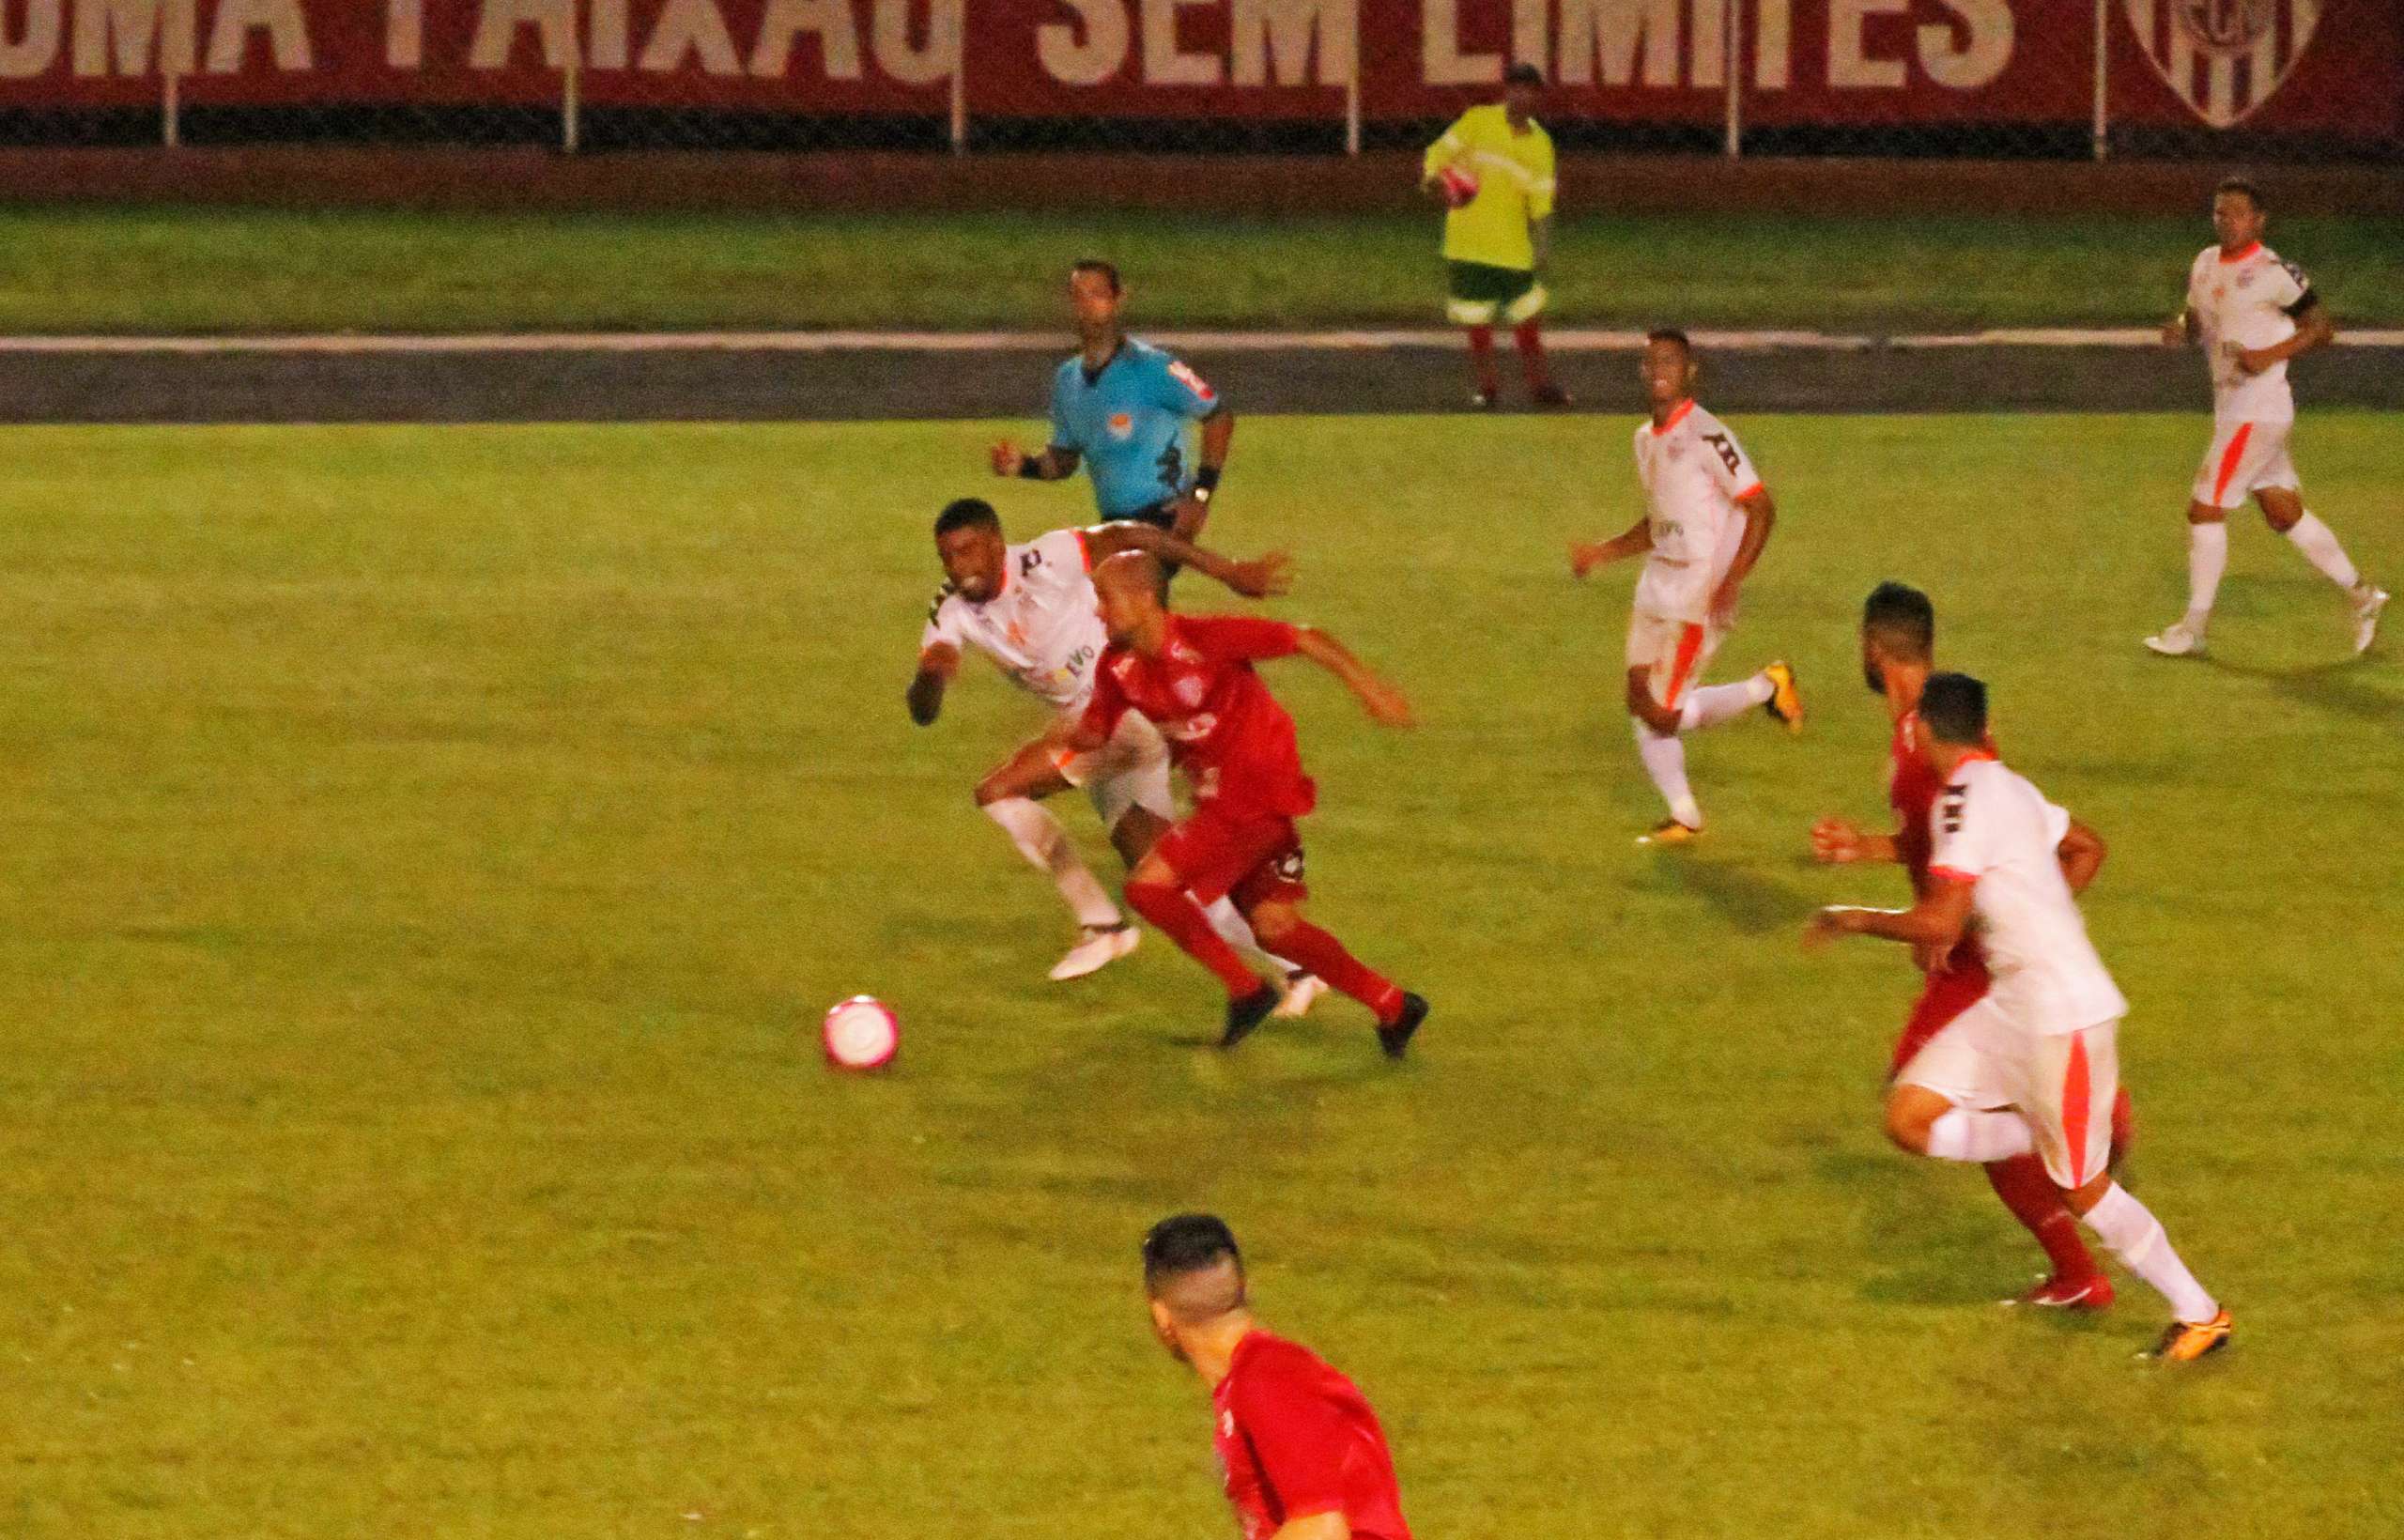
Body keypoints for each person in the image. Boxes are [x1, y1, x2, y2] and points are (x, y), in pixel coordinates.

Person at [1807, 674, 2232, 1363]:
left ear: (1921, 731)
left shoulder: (1964, 801)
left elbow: (1941, 919)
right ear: (1984, 725)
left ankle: (2200, 1312)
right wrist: (2038, 916)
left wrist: (1854, 917)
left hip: (2061, 1015)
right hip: (2014, 1004)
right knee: (1909, 1116)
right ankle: (2033, 1128)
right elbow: (2087, 847)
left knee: (2081, 1188)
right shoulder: (2014, 787)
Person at [1811, 583, 2132, 1309]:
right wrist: (1864, 848)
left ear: (1872, 646)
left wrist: (1968, 923)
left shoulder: (1941, 745)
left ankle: (2080, 1254)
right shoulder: (1915, 735)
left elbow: (2007, 835)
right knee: (1939, 1100)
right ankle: (2082, 1161)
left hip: (1975, 959)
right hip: (1961, 949)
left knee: (1928, 1104)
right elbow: (1939, 842)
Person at [909, 499, 1322, 1012]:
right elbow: (927, 690)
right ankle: (1297, 967)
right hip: (1106, 728)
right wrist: (932, 678)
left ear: (996, 543)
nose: (959, 566)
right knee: (1160, 873)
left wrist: (1225, 569)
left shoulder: (1047, 559)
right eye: (948, 556)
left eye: (969, 551)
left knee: (998, 792)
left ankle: (1101, 923)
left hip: (1124, 711)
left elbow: (1137, 536)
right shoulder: (952, 610)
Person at [1055, 552, 1428, 1055]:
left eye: (1106, 598)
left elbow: (1305, 638)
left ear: (1145, 601)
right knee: (1275, 929)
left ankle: (1246, 991)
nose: (1098, 611)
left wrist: (1371, 689)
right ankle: (1393, 1005)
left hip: (1255, 793)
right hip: (1228, 803)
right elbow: (1096, 729)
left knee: (1148, 888)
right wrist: (1061, 742)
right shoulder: (1117, 667)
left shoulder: (1205, 639)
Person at [1570, 329, 1802, 844]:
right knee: (1640, 701)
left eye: (1671, 361)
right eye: (1652, 361)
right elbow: (1658, 523)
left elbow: (1762, 507)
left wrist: (1732, 578)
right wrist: (1602, 553)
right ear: (1641, 370)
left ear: (1690, 371)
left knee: (1661, 715)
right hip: (1655, 585)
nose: (1660, 369)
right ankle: (1689, 807)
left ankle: (1762, 693)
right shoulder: (1643, 440)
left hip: (1697, 595)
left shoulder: (1709, 435)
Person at [2145, 176, 2385, 658]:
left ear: (2258, 220)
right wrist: (2178, 329)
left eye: (2235, 213)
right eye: (2218, 212)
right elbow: (2195, 318)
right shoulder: (2205, 263)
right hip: (2238, 411)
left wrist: (2268, 353)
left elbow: (2322, 328)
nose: (2225, 221)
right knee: (2283, 513)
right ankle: (2364, 595)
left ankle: (2193, 628)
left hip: (2257, 410)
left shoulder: (2274, 270)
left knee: (2205, 510)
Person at [1142, 1214, 1414, 1540]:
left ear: (1161, 1316)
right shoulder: (1255, 1378)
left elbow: (1323, 1527)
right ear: (1245, 1287)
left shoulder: (1270, 1377)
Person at [990, 259, 1233, 541]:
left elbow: (1218, 416)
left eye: (1098, 294)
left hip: (1164, 519)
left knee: (1117, 581)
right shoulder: (1068, 380)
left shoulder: (1154, 367)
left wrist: (1200, 497)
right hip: (1114, 527)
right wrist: (1022, 466)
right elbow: (1063, 461)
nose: (1087, 304)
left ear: (1118, 300)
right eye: (1079, 296)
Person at [1421, 62, 1570, 410]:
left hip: (1513, 248)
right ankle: (1488, 389)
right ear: (1506, 91)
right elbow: (1438, 153)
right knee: (1477, 323)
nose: (1520, 95)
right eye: (1514, 87)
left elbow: (1541, 198)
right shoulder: (1477, 121)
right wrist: (1435, 182)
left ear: (1537, 96)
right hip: (1468, 244)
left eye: (1528, 89)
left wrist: (1543, 243)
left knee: (1527, 322)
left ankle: (1540, 386)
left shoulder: (1540, 144)